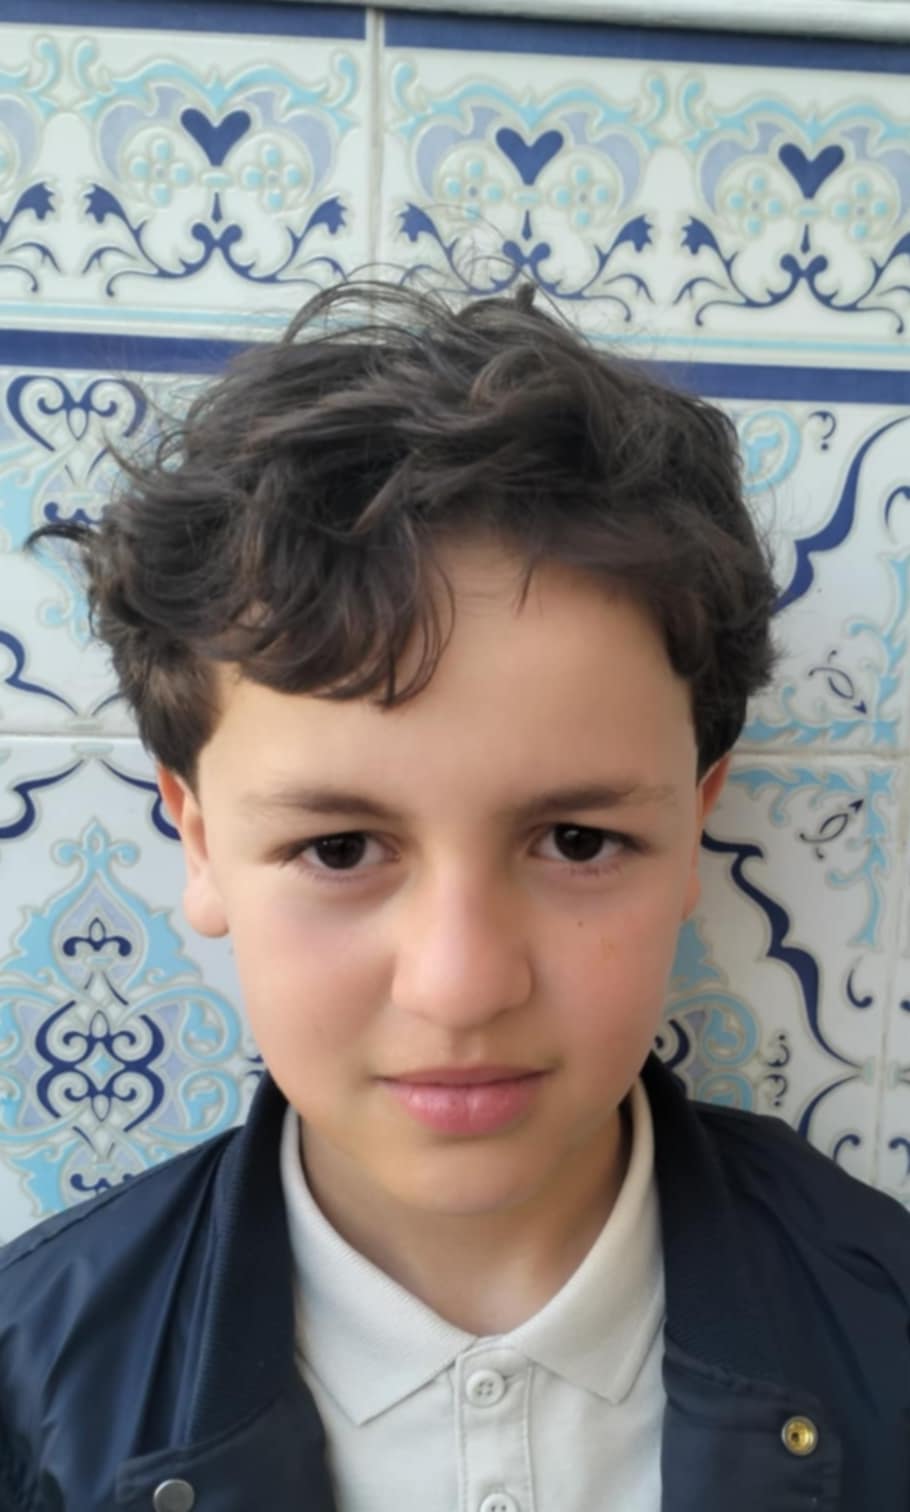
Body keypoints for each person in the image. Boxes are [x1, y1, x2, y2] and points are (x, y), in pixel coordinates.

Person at [1, 280, 907, 1512]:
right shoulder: (30, 1393)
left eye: (578, 840)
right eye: (339, 849)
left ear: (694, 827)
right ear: (198, 843)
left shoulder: (886, 1328)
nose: (462, 985)